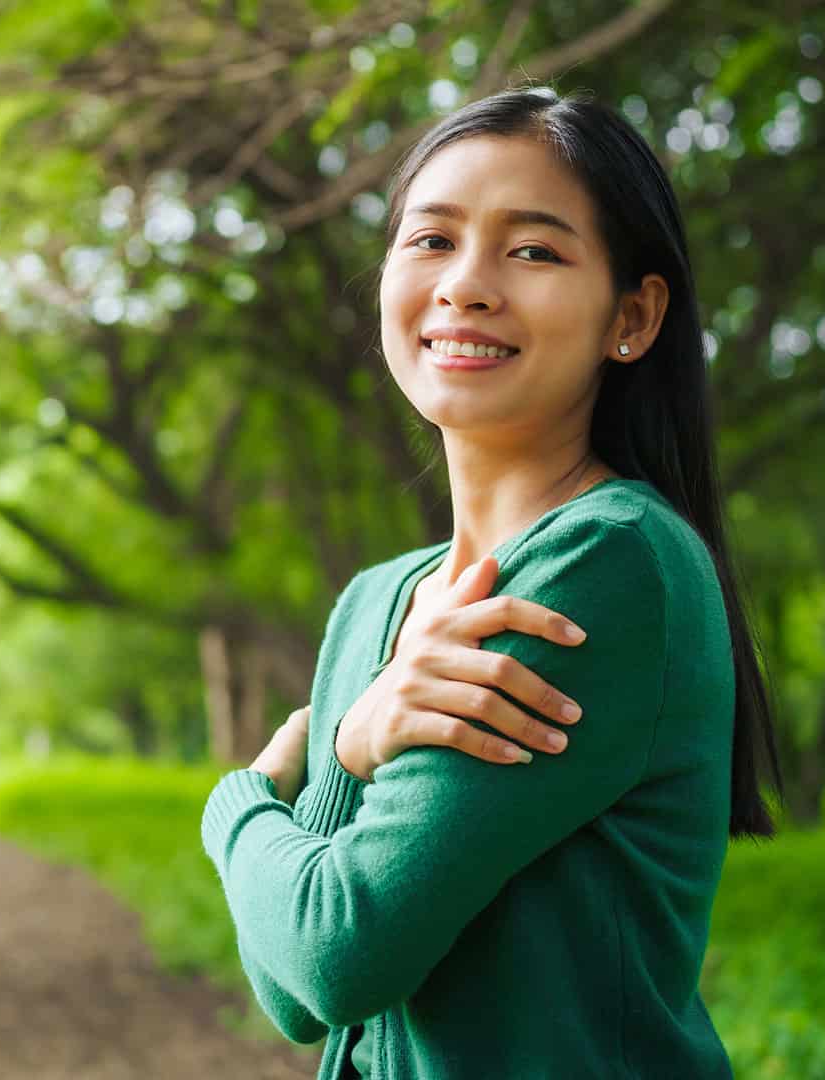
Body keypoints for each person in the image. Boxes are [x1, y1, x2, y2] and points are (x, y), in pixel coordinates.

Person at [199, 85, 784, 1079]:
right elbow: (294, 998)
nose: (466, 284)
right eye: (430, 240)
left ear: (631, 317)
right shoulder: (373, 603)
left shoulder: (610, 560)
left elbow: (336, 950)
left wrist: (238, 805)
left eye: (533, 251)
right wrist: (350, 741)